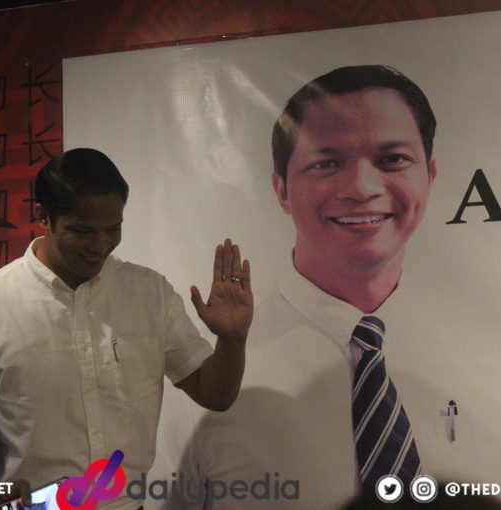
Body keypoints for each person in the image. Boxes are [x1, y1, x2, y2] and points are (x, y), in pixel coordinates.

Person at [150, 65, 437, 509]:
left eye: (392, 159)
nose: (362, 188)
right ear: (282, 190)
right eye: (327, 163)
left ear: (430, 176)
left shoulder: (483, 357)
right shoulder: (209, 378)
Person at [0, 148, 254, 510]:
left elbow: (214, 394)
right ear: (43, 216)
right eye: (82, 231)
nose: (100, 246)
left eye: (113, 229)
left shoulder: (149, 293)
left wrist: (232, 340)